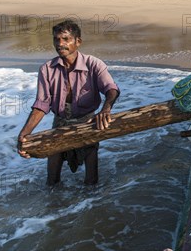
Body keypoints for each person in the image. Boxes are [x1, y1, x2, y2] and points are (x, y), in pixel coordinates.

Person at [17, 20, 120, 186]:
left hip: (88, 123)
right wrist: (24, 133)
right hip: (59, 125)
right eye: (56, 39)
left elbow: (111, 90)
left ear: (78, 41)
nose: (60, 44)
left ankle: (89, 208)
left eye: (66, 39)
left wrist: (105, 109)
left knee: (91, 182)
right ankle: (54, 210)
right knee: (51, 182)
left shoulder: (94, 64)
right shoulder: (47, 69)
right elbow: (41, 105)